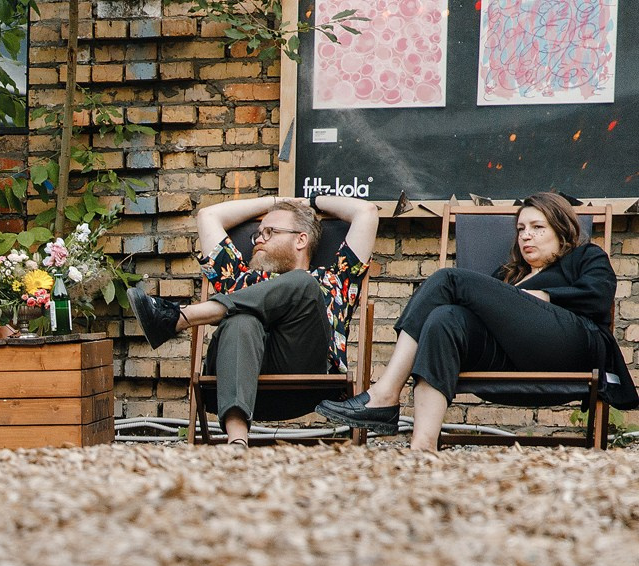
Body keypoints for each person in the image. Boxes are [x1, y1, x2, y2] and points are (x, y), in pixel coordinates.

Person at [319, 192, 637, 450]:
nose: (526, 236)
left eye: (537, 227)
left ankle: (385, 394)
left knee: (448, 280)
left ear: (561, 228)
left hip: (570, 348)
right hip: (511, 361)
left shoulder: (585, 256)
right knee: (445, 318)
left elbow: (598, 297)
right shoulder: (509, 275)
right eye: (521, 229)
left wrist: (545, 296)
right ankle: (423, 446)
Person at [127, 193, 376, 446]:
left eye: (269, 232)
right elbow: (208, 216)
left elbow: (366, 212)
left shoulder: (335, 279)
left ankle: (182, 316)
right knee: (241, 319)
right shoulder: (237, 276)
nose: (258, 239)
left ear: (301, 239)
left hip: (307, 377)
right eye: (257, 233)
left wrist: (310, 202)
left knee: (302, 283)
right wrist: (275, 201)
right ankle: (237, 443)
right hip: (239, 373)